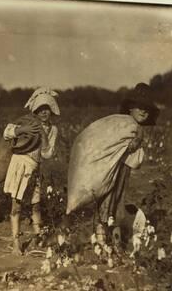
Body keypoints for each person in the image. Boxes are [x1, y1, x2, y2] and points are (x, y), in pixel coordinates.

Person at [66, 82, 158, 224]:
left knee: (113, 200)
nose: (143, 111)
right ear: (130, 108)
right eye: (139, 107)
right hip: (110, 167)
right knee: (111, 201)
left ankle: (104, 233)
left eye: (146, 109)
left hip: (120, 169)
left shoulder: (133, 127)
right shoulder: (123, 124)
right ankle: (106, 234)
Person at [2, 87, 59, 254]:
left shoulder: (52, 130)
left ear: (51, 111)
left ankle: (38, 237)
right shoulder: (26, 122)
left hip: (35, 167)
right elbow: (7, 133)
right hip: (20, 165)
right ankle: (15, 242)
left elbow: (47, 154)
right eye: (40, 110)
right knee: (16, 204)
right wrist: (21, 130)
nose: (43, 113)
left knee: (35, 204)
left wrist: (44, 136)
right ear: (35, 110)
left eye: (46, 109)